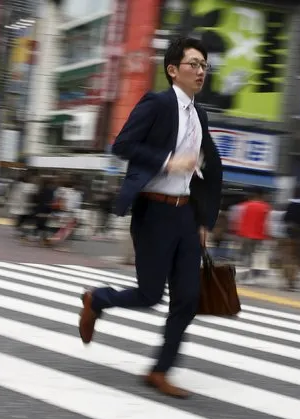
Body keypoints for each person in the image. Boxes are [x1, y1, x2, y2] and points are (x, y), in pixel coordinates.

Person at [78, 37, 223, 399]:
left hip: (185, 216)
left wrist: (204, 220)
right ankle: (97, 300)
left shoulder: (200, 115)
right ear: (173, 70)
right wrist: (167, 161)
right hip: (153, 211)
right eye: (194, 64)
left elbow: (211, 169)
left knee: (188, 299)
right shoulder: (157, 103)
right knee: (149, 294)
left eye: (205, 65)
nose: (201, 71)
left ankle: (159, 370)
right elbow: (122, 145)